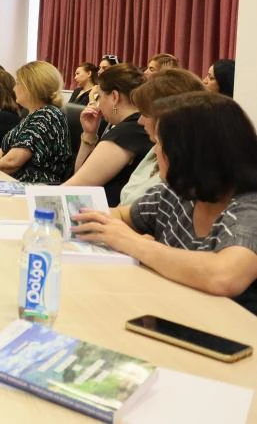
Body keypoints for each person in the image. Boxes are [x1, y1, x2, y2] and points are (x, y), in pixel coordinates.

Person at [74, 92, 257, 316]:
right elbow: (122, 216)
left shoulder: (250, 206)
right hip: (171, 313)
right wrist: (90, 221)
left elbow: (224, 276)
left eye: (159, 144)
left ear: (187, 152)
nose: (156, 152)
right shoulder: (179, 192)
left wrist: (135, 244)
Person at [63, 64, 152, 206]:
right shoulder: (133, 128)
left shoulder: (126, 133)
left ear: (114, 97)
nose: (98, 104)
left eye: (99, 97)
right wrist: (89, 134)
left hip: (107, 211)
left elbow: (76, 187)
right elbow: (80, 173)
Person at [119, 68, 206, 205]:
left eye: (145, 114)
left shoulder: (188, 174)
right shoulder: (157, 148)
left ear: (168, 117)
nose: (140, 121)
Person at [0, 61, 71, 184]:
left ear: (31, 87)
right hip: (15, 183)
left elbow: (12, 162)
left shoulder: (46, 115)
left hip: (33, 186)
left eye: (18, 83)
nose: (14, 88)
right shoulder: (33, 115)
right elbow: (3, 152)